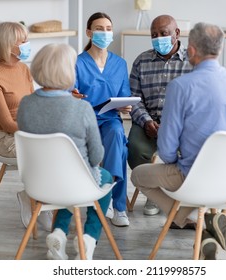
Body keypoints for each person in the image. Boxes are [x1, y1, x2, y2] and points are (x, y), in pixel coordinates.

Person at [131, 22, 226, 260]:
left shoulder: (181, 87)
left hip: (193, 178)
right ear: (221, 47)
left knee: (138, 176)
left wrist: (176, 159)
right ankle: (209, 222)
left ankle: (194, 221)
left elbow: (165, 151)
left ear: (192, 49)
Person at [17, 43, 113, 260]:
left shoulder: (25, 105)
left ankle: (59, 232)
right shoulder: (81, 108)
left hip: (38, 183)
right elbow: (97, 156)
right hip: (74, 184)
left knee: (65, 177)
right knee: (104, 177)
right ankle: (88, 239)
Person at [0, 21, 51, 231]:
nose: (28, 44)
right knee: (45, 153)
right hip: (6, 138)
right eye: (24, 41)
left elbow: (32, 104)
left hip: (29, 130)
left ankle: (32, 197)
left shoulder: (23, 69)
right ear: (9, 45)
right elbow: (7, 124)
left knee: (58, 148)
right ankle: (41, 205)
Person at [127, 14, 193, 216]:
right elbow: (134, 98)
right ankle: (153, 194)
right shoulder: (141, 61)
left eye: (163, 33)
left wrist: (173, 126)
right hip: (148, 123)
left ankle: (178, 193)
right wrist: (146, 121)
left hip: (180, 125)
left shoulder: (192, 61)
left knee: (188, 151)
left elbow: (194, 101)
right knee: (136, 149)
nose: (158, 38)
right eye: (154, 35)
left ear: (177, 33)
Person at [74, 12, 131, 227]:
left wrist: (125, 105)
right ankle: (113, 200)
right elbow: (71, 93)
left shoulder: (120, 64)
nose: (104, 32)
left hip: (109, 120)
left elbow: (124, 95)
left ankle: (116, 206)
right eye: (99, 28)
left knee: (117, 135)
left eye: (108, 28)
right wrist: (73, 94)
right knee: (120, 149)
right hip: (85, 122)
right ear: (89, 32)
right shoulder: (77, 63)